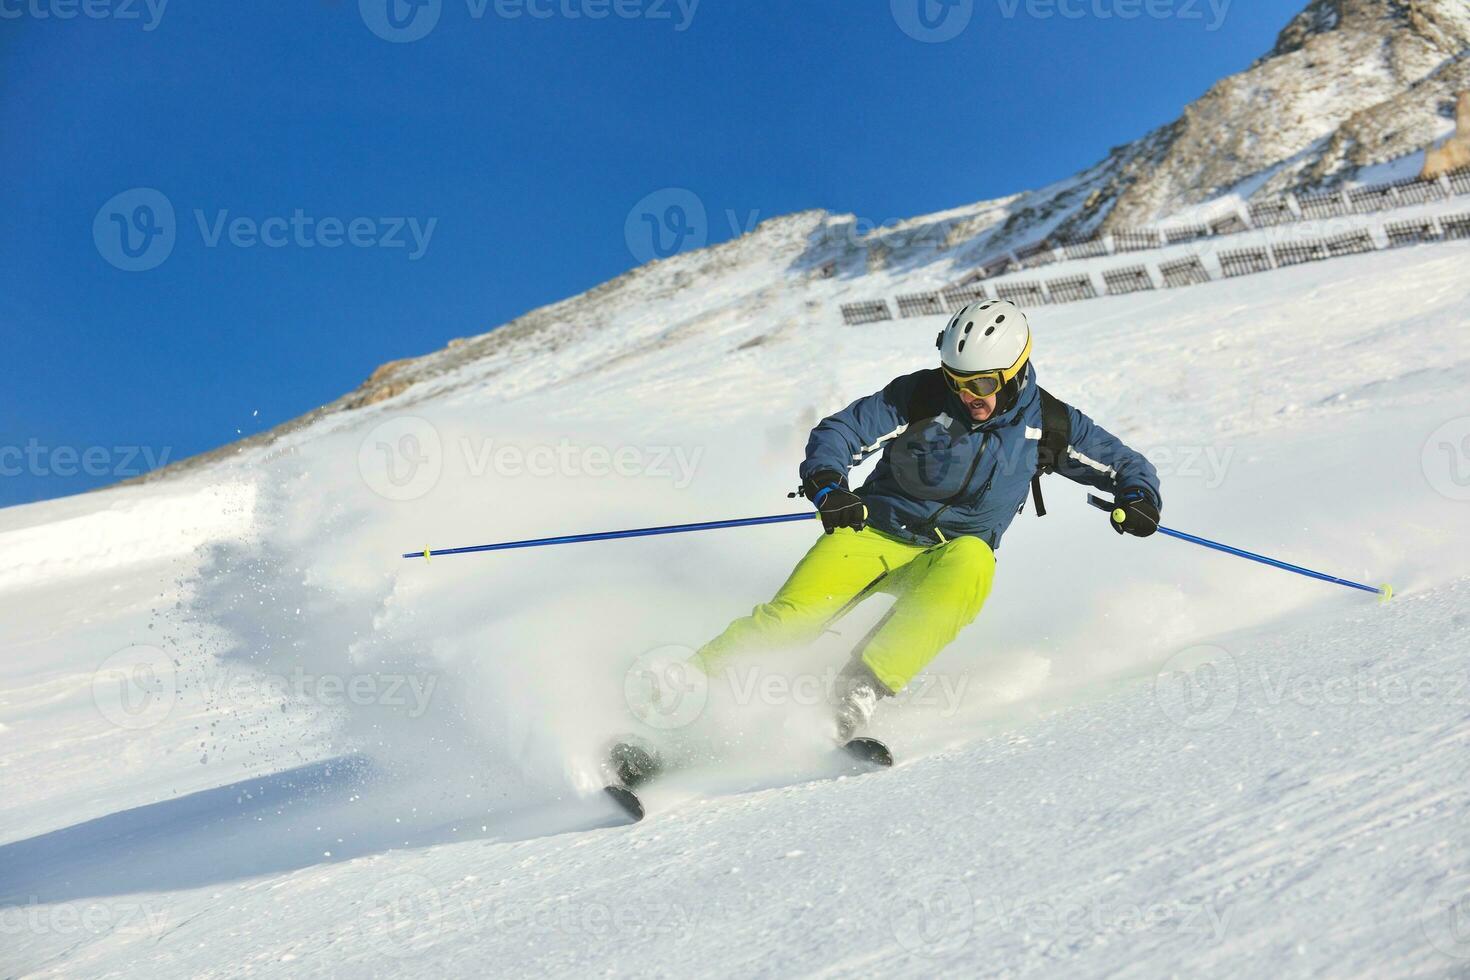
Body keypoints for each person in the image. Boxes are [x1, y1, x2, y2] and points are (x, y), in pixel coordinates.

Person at [691, 299, 1162, 740]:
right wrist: (829, 485)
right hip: (873, 530)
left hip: (950, 555)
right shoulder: (920, 396)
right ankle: (691, 684)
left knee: (974, 563)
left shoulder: (1052, 425)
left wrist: (1139, 499)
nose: (967, 394)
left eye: (981, 383)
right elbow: (844, 430)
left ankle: (859, 688)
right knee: (792, 620)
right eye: (956, 379)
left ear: (1016, 375)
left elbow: (1126, 466)